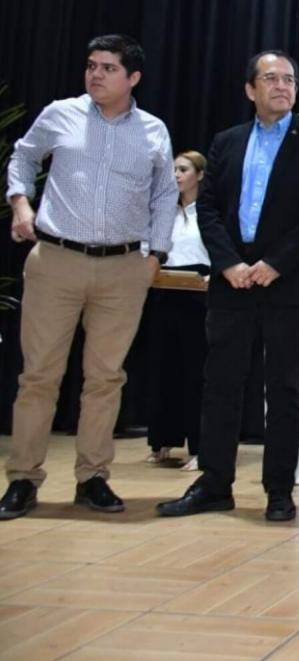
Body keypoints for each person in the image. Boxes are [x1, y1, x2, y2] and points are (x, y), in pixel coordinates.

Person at [0, 34, 176, 520]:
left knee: (105, 377)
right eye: (91, 66)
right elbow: (24, 156)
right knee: (39, 375)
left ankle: (93, 477)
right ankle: (22, 479)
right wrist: (20, 204)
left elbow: (165, 194)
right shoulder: (60, 114)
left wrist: (156, 255)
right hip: (56, 259)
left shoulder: (153, 131)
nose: (95, 75)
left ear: (133, 78)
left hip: (124, 268)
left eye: (108, 68)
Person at [156, 50, 299, 522]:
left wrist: (275, 264)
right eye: (271, 78)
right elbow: (209, 208)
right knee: (221, 386)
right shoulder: (228, 141)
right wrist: (229, 263)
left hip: (287, 282)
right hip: (232, 281)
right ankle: (214, 484)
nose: (282, 86)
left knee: (283, 390)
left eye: (289, 79)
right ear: (250, 89)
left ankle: (279, 490)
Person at [143, 151, 211, 471]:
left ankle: (200, 447)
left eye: (183, 169)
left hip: (199, 292)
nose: (177, 175)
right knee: (163, 368)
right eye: (174, 170)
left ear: (199, 175)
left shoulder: (208, 213)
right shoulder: (164, 212)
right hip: (165, 289)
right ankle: (162, 441)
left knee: (196, 372)